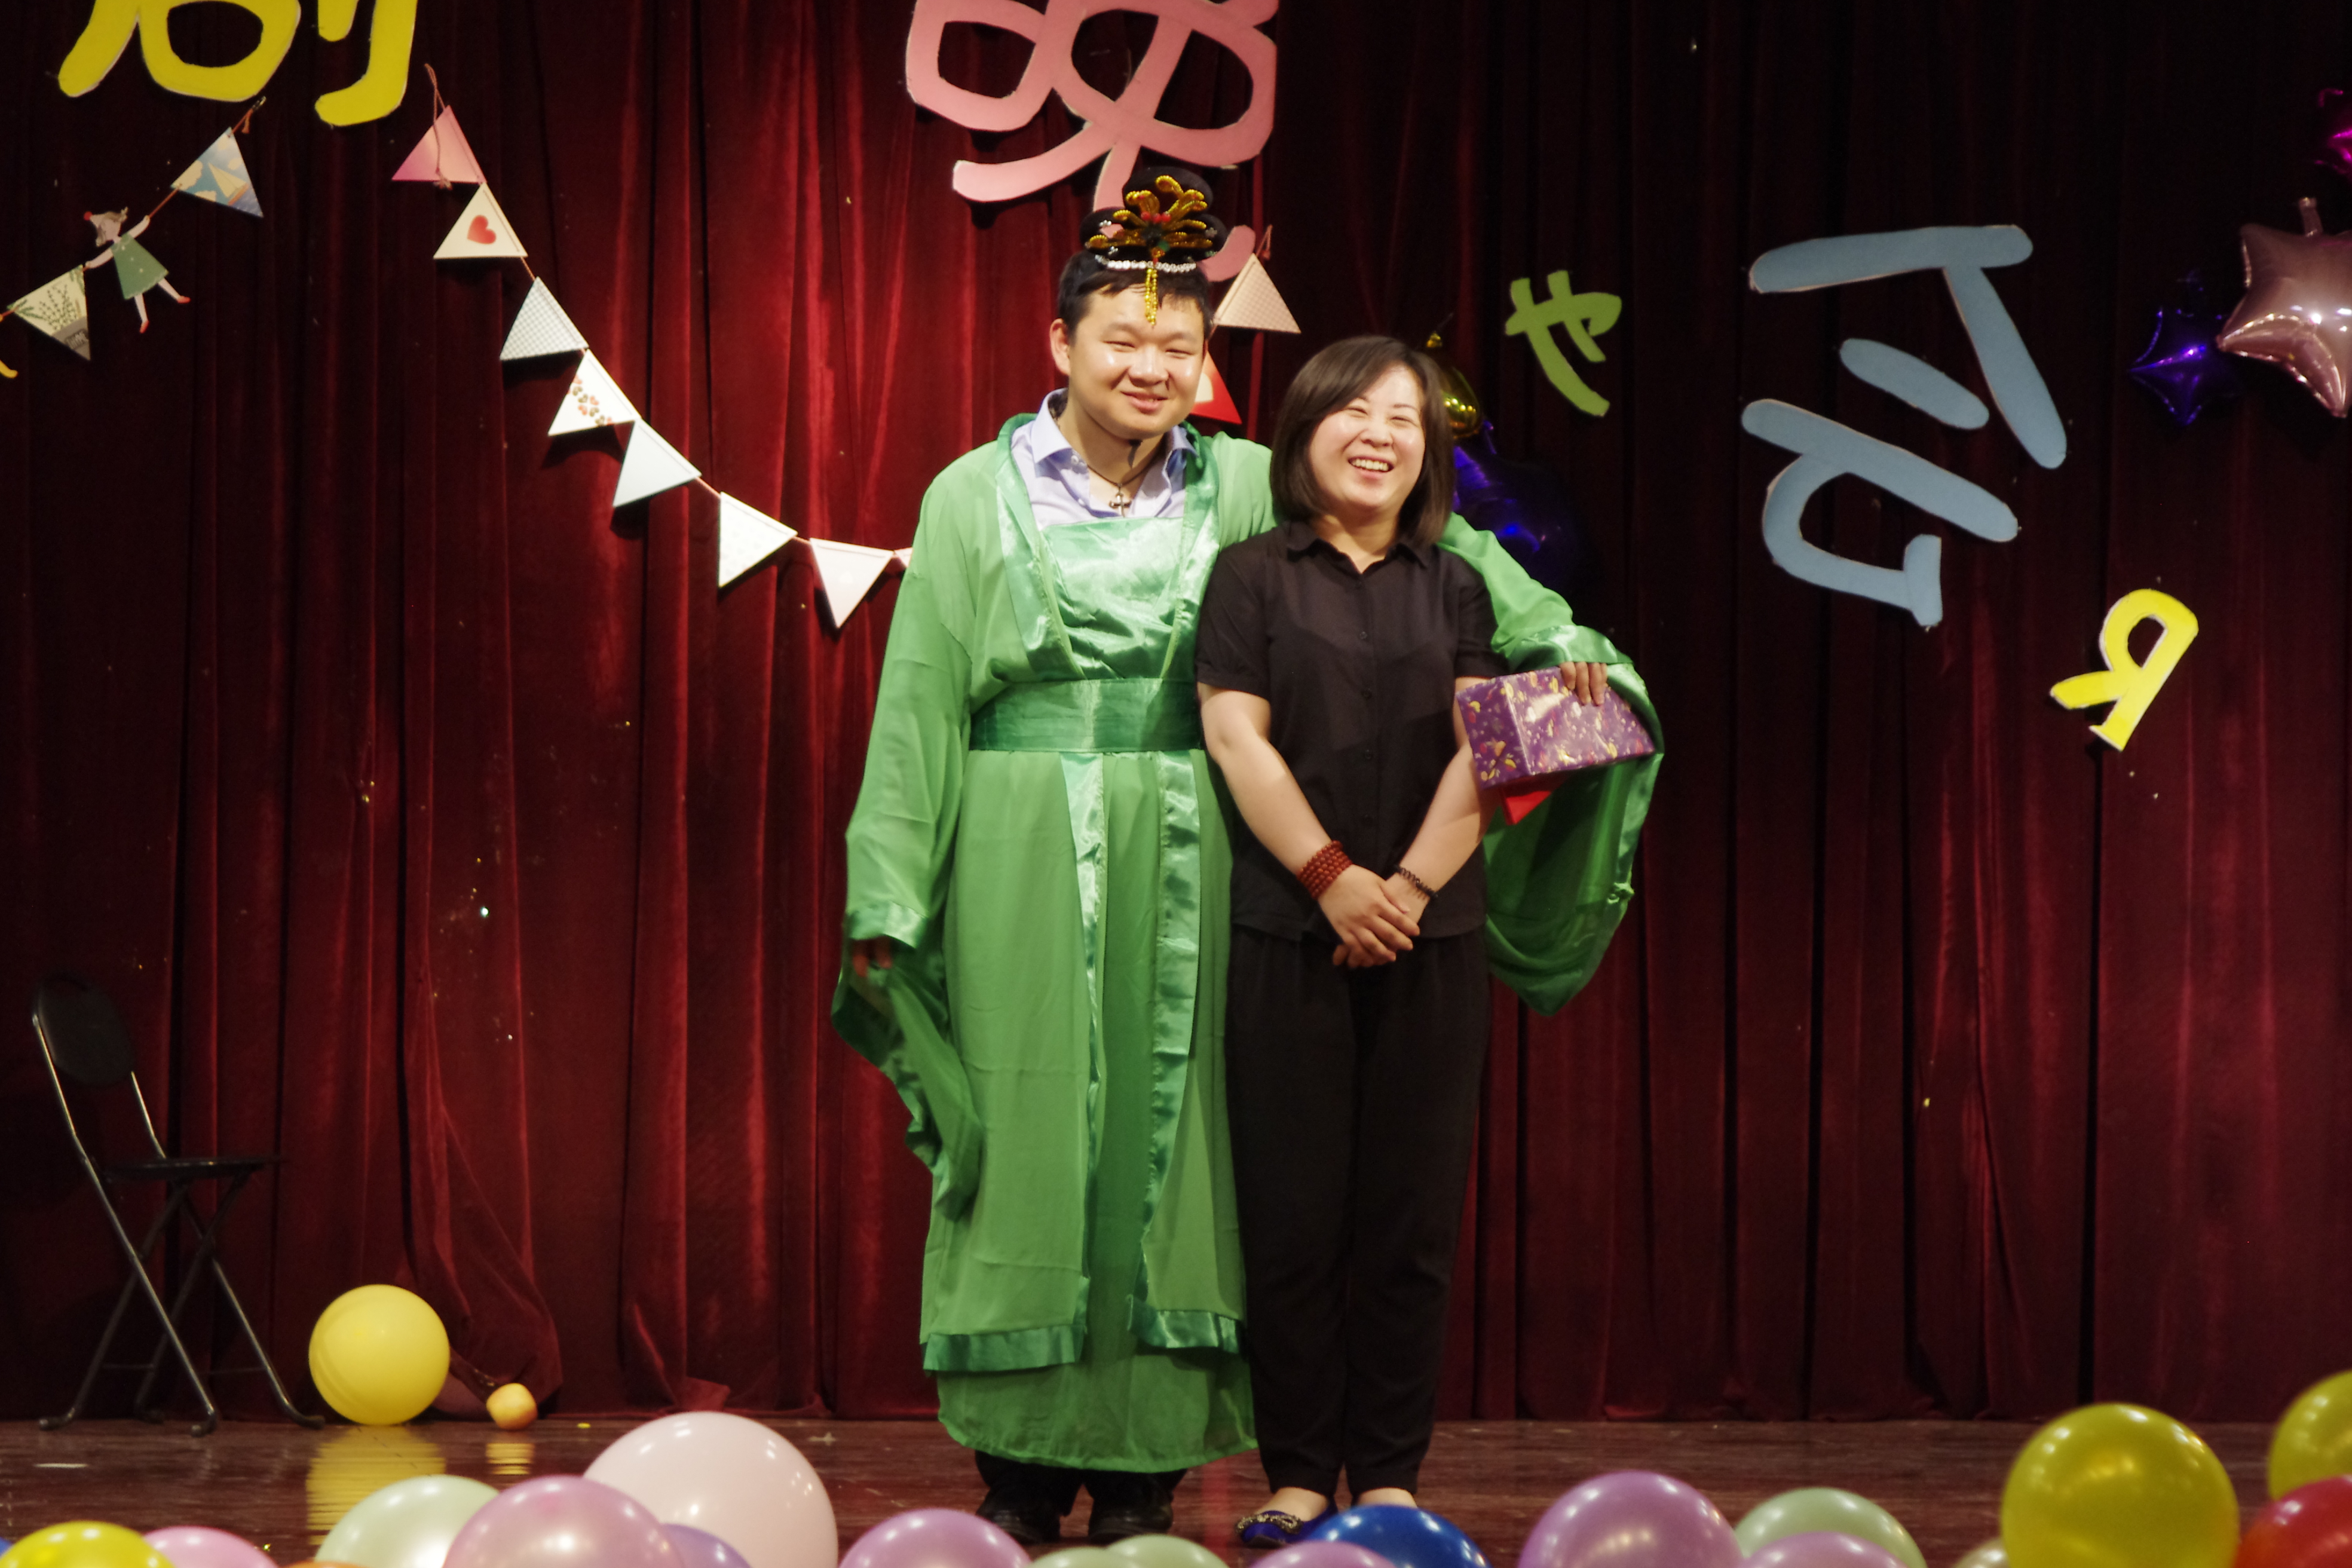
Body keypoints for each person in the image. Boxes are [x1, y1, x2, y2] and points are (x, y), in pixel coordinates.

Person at [831, 170, 1647, 1547]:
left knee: (1186, 1153)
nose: (1150, 367)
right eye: (1122, 340)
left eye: (1179, 345)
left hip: (1213, 851)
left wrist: (1566, 666)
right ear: (1062, 344)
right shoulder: (971, 495)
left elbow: (1466, 571)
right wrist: (889, 887)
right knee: (1029, 1139)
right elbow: (918, 704)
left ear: (1206, 357)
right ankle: (1017, 1466)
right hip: (1020, 848)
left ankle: (1148, 1469)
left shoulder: (1249, 487)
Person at [1193, 336, 1655, 1545]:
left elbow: (1487, 750)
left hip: (1429, 933)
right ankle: (1300, 1471)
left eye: (1405, 418)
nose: (1381, 434)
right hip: (1288, 928)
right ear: (1305, 431)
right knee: (1292, 1218)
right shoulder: (1249, 576)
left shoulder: (1458, 585)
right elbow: (1238, 739)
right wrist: (1332, 880)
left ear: (1428, 452)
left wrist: (1398, 889)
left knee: (1409, 1223)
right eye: (1354, 410)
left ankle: (1390, 1471)